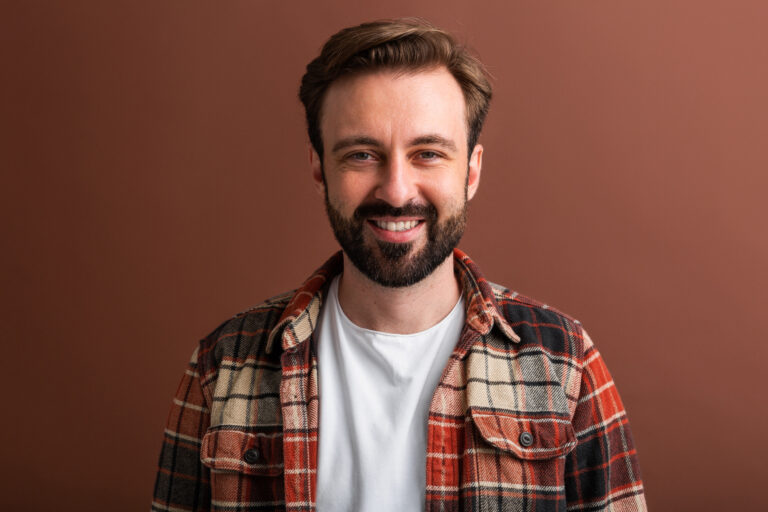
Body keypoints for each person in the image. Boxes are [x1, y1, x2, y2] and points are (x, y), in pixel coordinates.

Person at [152, 18, 646, 512]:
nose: (396, 190)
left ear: (471, 171)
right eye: (362, 154)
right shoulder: (222, 368)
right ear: (319, 169)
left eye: (428, 154)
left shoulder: (565, 365)